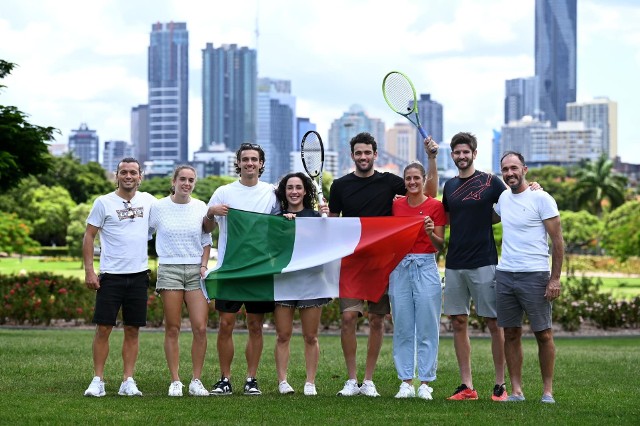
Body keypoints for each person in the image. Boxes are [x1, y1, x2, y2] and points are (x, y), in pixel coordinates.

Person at [329, 132, 438, 397]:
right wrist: (321, 217)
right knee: (347, 319)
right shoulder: (340, 185)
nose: (363, 157)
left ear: (375, 155)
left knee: (377, 320)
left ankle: (368, 381)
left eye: (368, 152)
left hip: (382, 265)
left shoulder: (390, 182)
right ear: (352, 155)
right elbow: (331, 223)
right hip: (352, 263)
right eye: (359, 153)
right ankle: (351, 380)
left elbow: (427, 195)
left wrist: (431, 159)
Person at [203, 143, 278, 396]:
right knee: (226, 324)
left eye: (254, 159)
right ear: (238, 163)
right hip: (230, 267)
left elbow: (285, 219)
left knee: (256, 325)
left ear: (261, 164)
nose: (249, 163)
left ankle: (251, 379)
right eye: (245, 159)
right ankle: (224, 379)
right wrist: (211, 212)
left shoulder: (272, 192)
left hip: (259, 270)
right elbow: (205, 228)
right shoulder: (223, 192)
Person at [441, 132, 510, 401]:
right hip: (455, 262)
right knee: (458, 322)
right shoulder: (448, 186)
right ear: (453, 155)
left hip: (484, 261)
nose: (461, 156)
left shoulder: (491, 182)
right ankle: (467, 386)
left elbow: (511, 204)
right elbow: (449, 217)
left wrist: (533, 188)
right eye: (457, 152)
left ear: (474, 153)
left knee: (494, 323)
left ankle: (500, 385)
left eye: (465, 152)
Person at [82, 157, 157, 397]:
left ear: (140, 176)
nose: (128, 176)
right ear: (117, 175)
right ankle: (98, 380)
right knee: (103, 328)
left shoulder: (149, 202)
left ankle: (128, 381)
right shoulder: (103, 202)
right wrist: (89, 271)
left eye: (133, 172)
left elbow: (165, 222)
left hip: (138, 276)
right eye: (123, 172)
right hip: (110, 277)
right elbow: (89, 236)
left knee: (133, 330)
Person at [494, 151, 563, 404]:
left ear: (524, 169)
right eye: (505, 169)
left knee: (543, 333)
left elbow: (558, 242)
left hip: (535, 275)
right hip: (505, 274)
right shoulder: (502, 198)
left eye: (514, 168)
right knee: (510, 333)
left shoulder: (541, 198)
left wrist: (554, 279)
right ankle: (516, 391)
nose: (510, 173)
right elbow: (485, 214)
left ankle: (547, 392)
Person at [149, 165, 212, 397]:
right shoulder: (158, 207)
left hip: (196, 270)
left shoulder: (201, 207)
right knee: (173, 327)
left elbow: (207, 240)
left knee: (200, 327)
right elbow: (143, 233)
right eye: (182, 179)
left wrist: (204, 265)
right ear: (173, 182)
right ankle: (175, 381)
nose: (186, 183)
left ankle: (196, 380)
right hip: (169, 268)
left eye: (191, 180)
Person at [389, 162, 446, 400]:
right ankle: (405, 382)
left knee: (427, 326)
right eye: (408, 178)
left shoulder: (436, 206)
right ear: (404, 181)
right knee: (402, 326)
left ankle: (425, 383)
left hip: (426, 266)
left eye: (416, 178)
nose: (412, 182)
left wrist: (432, 231)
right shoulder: (395, 205)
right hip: (399, 267)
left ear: (424, 180)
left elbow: (440, 246)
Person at [273, 172, 331, 396]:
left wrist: (326, 219)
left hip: (311, 281)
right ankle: (283, 381)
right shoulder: (276, 217)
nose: (294, 191)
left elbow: (327, 244)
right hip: (284, 281)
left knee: (310, 336)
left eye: (298, 187)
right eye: (290, 188)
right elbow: (272, 248)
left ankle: (310, 382)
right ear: (284, 192)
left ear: (305, 191)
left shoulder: (317, 217)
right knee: (283, 335)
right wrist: (283, 225)